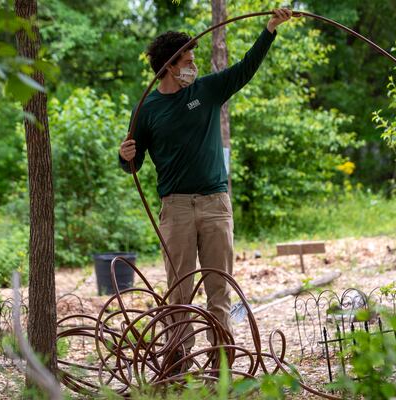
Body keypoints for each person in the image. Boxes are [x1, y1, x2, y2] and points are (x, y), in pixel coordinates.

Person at [118, 8, 293, 370]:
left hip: (215, 203)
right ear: (168, 66)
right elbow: (132, 163)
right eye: (187, 62)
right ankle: (177, 367)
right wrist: (124, 156)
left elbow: (245, 68)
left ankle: (221, 366)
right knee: (178, 292)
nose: (193, 67)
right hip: (176, 208)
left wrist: (269, 30)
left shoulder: (207, 91)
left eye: (194, 61)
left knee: (219, 288)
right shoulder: (148, 108)